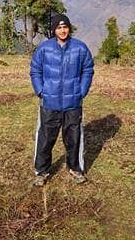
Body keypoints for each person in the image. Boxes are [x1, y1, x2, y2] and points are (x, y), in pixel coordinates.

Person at [29, 13, 94, 186]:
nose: (62, 30)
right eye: (59, 27)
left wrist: (82, 91)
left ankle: (75, 168)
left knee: (73, 138)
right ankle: (41, 171)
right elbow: (35, 70)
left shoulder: (80, 48)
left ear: (69, 28)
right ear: (54, 30)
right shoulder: (44, 49)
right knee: (45, 138)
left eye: (65, 27)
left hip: (73, 102)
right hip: (49, 102)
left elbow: (88, 69)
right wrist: (41, 90)